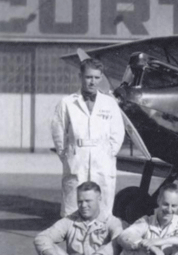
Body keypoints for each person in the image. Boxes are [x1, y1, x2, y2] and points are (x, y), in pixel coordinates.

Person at [51, 58, 125, 217]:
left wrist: (110, 153)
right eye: (89, 77)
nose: (93, 82)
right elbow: (58, 130)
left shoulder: (109, 103)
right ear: (80, 76)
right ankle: (73, 238)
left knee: (103, 205)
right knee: (73, 204)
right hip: (77, 159)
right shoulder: (67, 103)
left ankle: (101, 239)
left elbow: (118, 132)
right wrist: (65, 155)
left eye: (97, 78)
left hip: (102, 159)